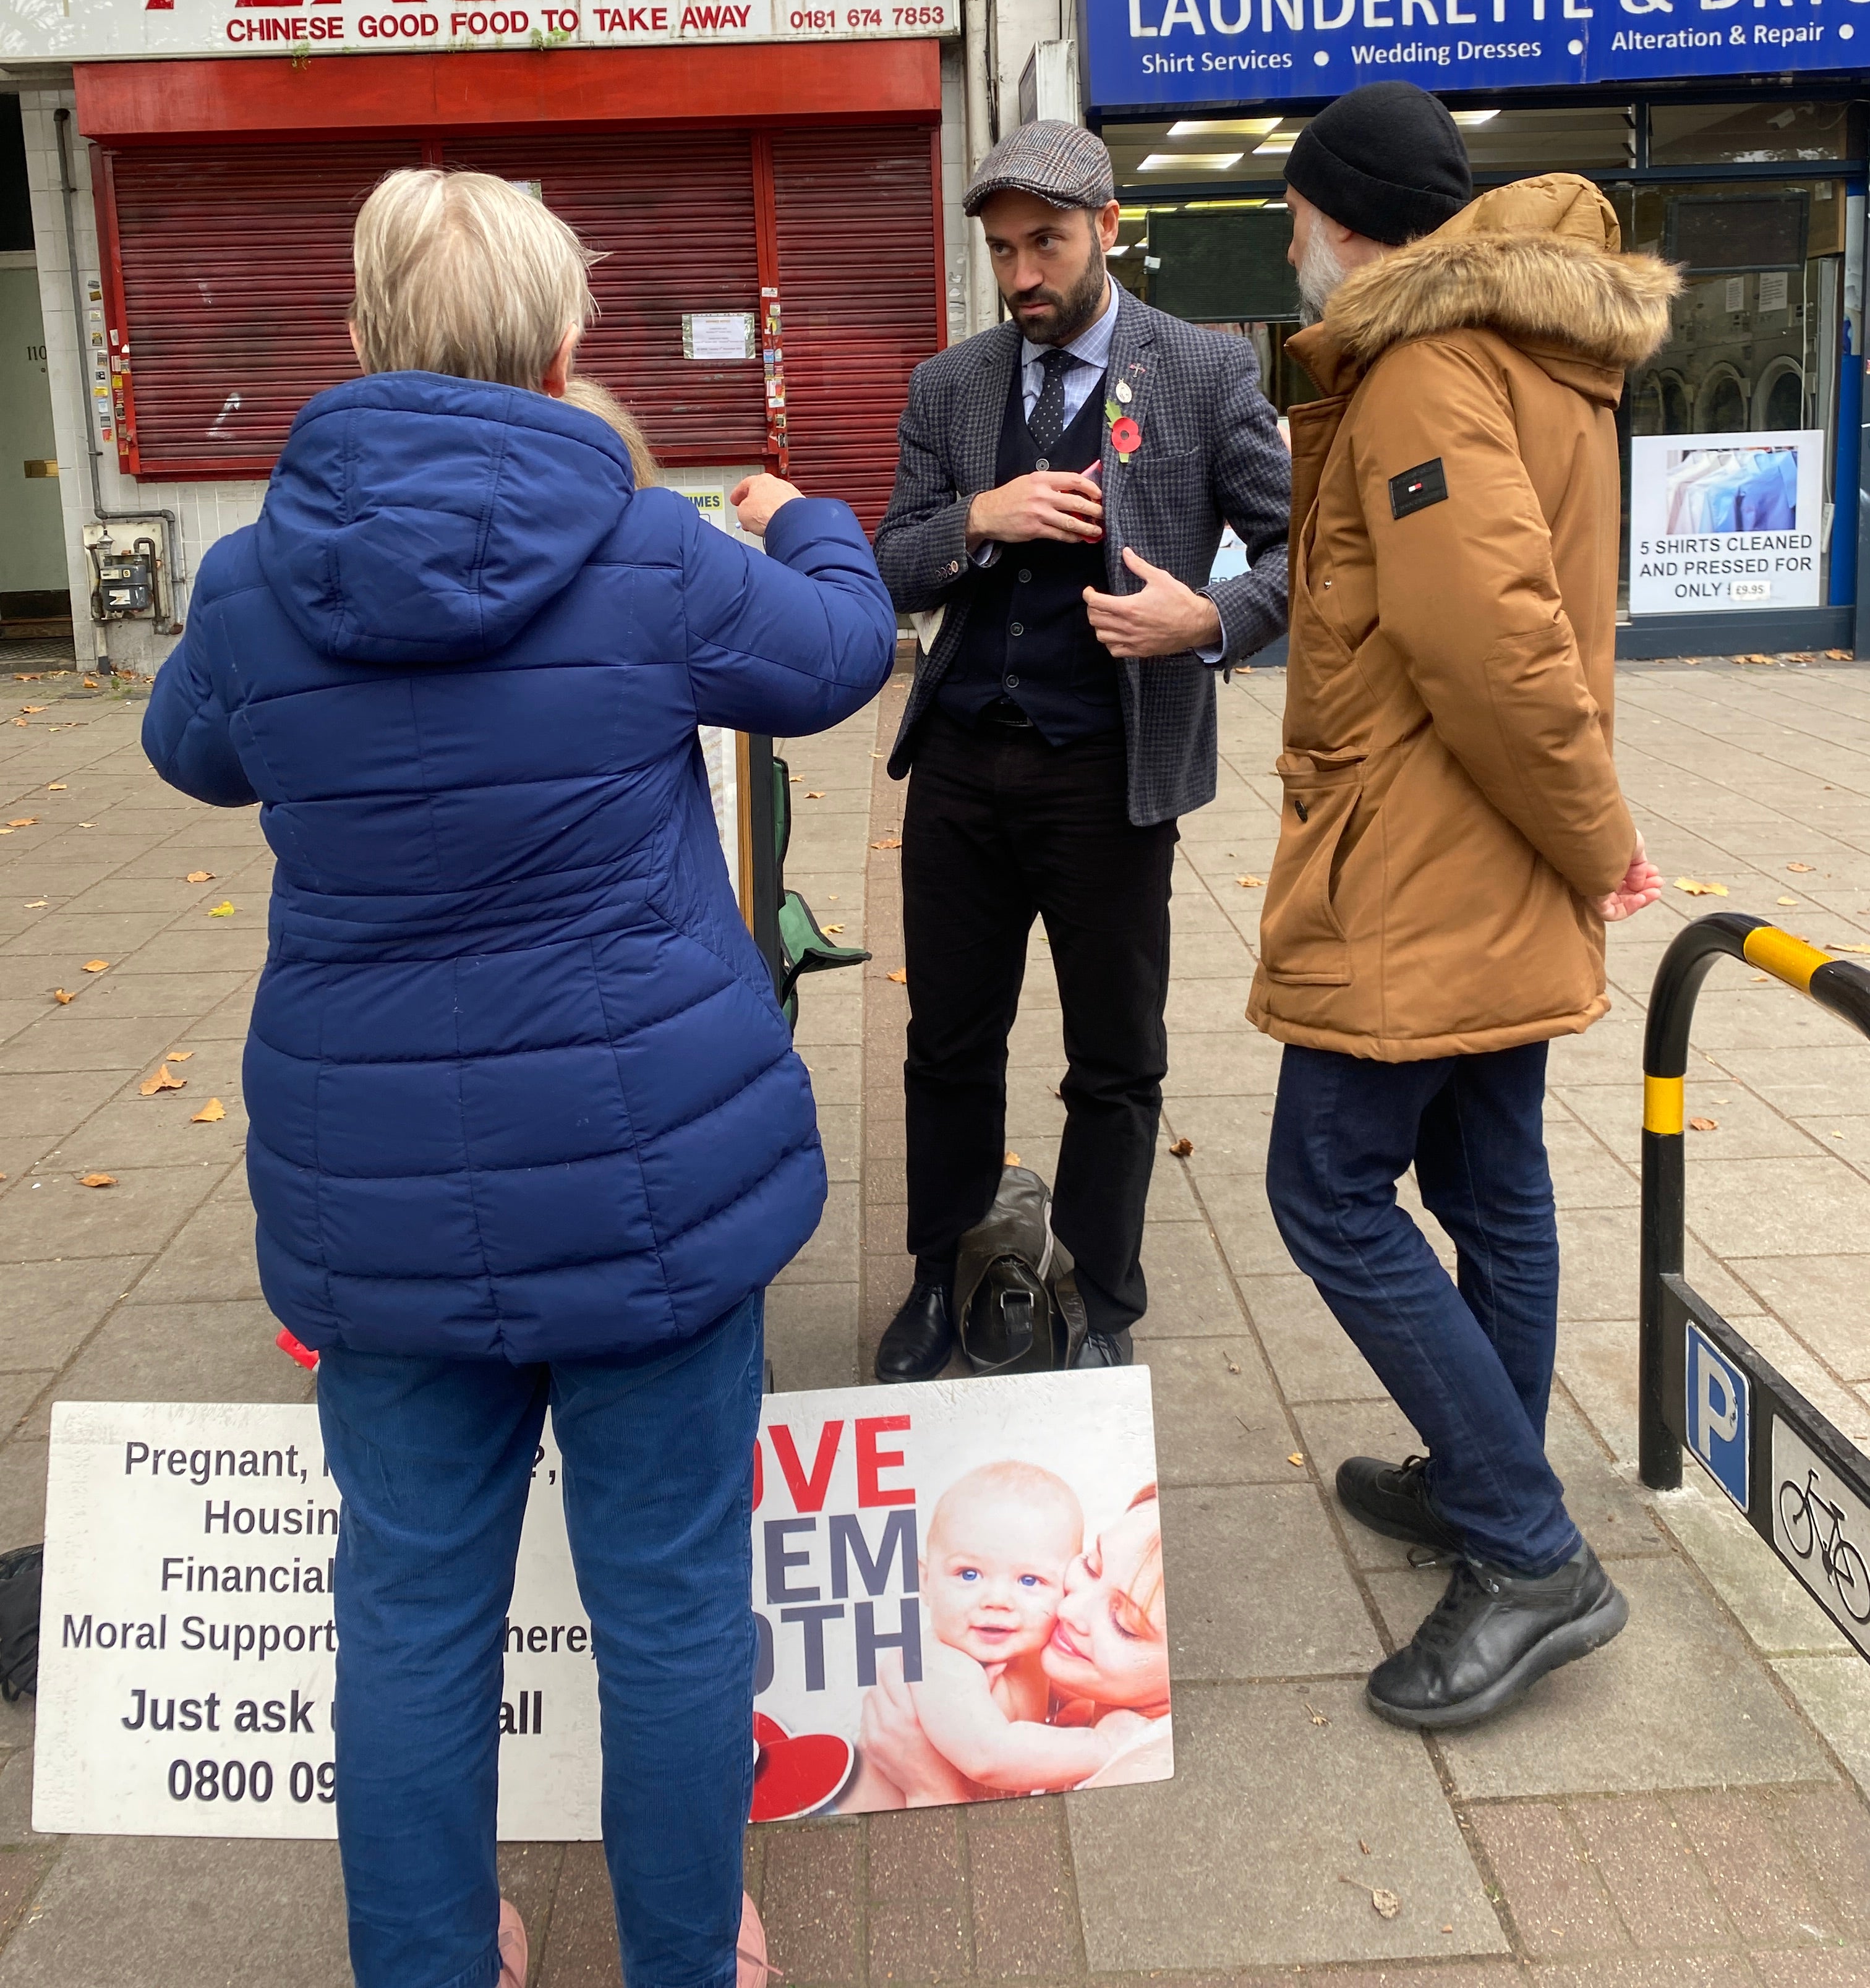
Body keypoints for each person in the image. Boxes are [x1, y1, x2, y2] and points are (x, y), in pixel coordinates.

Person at [141, 169, 898, 1988]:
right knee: (668, 1605)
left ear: (355, 344)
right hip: (647, 1184)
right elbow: (838, 659)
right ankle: (684, 1950)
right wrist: (809, 524)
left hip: (373, 1197)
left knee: (406, 1612)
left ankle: (428, 1955)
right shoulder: (649, 558)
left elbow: (189, 754)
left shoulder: (252, 586)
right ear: (570, 356)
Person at [1251, 85, 1668, 1732]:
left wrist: (1603, 837)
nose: (1289, 242)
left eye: (1292, 212)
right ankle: (1480, 1466)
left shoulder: (1423, 368)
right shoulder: (1528, 354)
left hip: (1427, 857)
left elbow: (1492, 644)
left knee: (1322, 1185)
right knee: (1490, 1173)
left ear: (1340, 216)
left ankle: (1528, 1549)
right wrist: (1578, 840)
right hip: (1489, 847)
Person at [871, 120, 1291, 1380]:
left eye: (1044, 245)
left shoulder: (1206, 373)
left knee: (1114, 1056)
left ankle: (1101, 1297)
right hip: (959, 764)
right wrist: (977, 520)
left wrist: (1207, 618)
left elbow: (1299, 556)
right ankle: (944, 1276)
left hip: (1110, 775)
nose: (1020, 277)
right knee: (947, 1044)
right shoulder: (950, 386)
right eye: (1001, 251)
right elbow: (890, 553)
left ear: (1109, 228)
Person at [857, 1485, 1171, 1801]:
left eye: (1124, 1624)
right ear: (925, 1580)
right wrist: (1100, 1745)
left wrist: (932, 1789)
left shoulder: (1148, 1767)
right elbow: (988, 1755)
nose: (1067, 1609)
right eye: (1091, 1565)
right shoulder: (943, 1664)